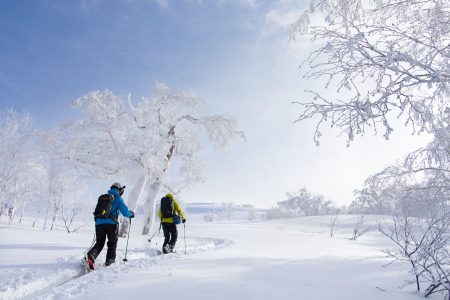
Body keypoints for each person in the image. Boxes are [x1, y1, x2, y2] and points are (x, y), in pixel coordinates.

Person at [85, 182, 135, 269]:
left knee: (100, 242)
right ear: (119, 190)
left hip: (99, 223)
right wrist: (131, 214)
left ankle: (90, 257)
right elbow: (125, 212)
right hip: (111, 224)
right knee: (112, 242)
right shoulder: (118, 198)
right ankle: (110, 262)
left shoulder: (103, 197)